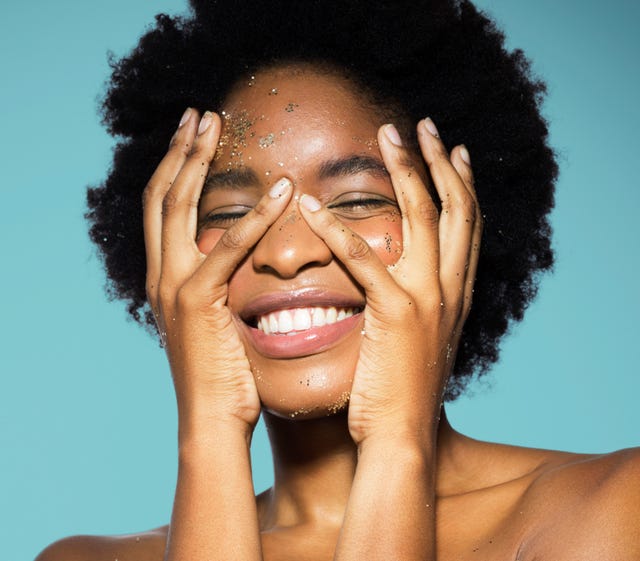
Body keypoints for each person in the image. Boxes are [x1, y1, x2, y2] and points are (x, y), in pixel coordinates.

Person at [36, 0, 640, 559]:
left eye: (353, 201)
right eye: (229, 214)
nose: (287, 251)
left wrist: (397, 443)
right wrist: (210, 437)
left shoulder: (606, 510)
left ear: (460, 224)